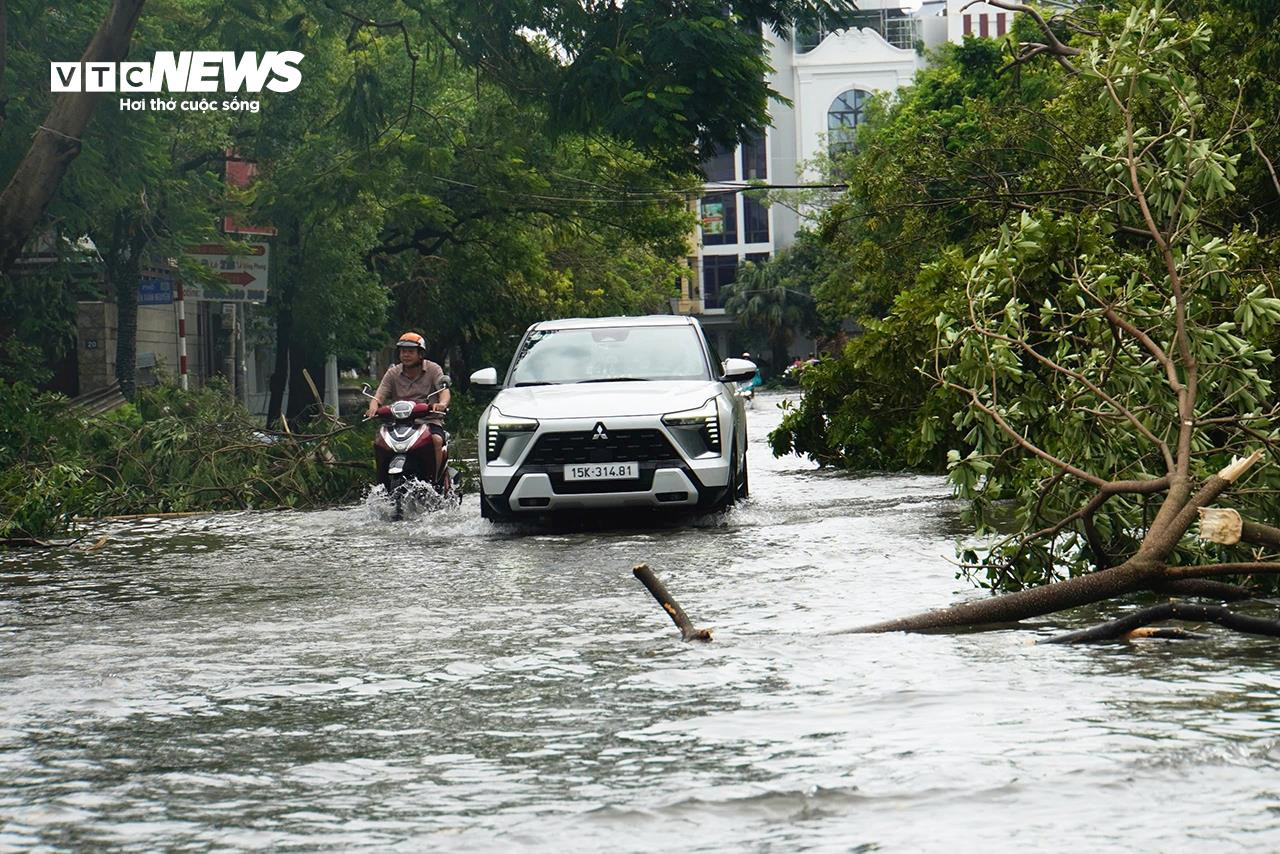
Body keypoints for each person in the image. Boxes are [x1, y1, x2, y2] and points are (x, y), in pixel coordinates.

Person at [366, 331, 451, 478]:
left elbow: (444, 391)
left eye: (410, 351)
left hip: (428, 420)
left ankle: (434, 479)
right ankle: (381, 483)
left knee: (436, 440)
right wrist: (373, 407)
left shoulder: (433, 369)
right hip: (397, 423)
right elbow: (379, 395)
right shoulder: (392, 373)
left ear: (421, 354)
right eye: (403, 351)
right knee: (379, 442)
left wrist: (442, 404)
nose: (405, 355)